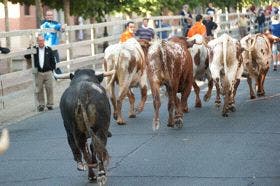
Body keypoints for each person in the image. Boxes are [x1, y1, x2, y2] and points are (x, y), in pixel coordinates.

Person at [24, 35, 56, 112]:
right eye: (39, 41)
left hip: (48, 72)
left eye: (42, 40)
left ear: (44, 41)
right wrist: (30, 47)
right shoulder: (35, 50)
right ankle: (41, 105)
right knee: (39, 89)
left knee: (49, 88)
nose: (41, 42)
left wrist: (52, 68)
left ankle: (50, 104)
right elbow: (26, 56)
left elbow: (53, 60)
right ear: (37, 42)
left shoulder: (49, 49)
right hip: (39, 73)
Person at [40, 10, 65, 75]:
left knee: (57, 60)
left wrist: (61, 28)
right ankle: (49, 75)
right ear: (45, 16)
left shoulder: (55, 22)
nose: (49, 16)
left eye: (51, 15)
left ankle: (59, 75)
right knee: (47, 61)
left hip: (54, 45)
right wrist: (60, 26)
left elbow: (62, 30)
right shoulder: (44, 23)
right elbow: (51, 26)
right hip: (46, 45)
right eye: (48, 15)